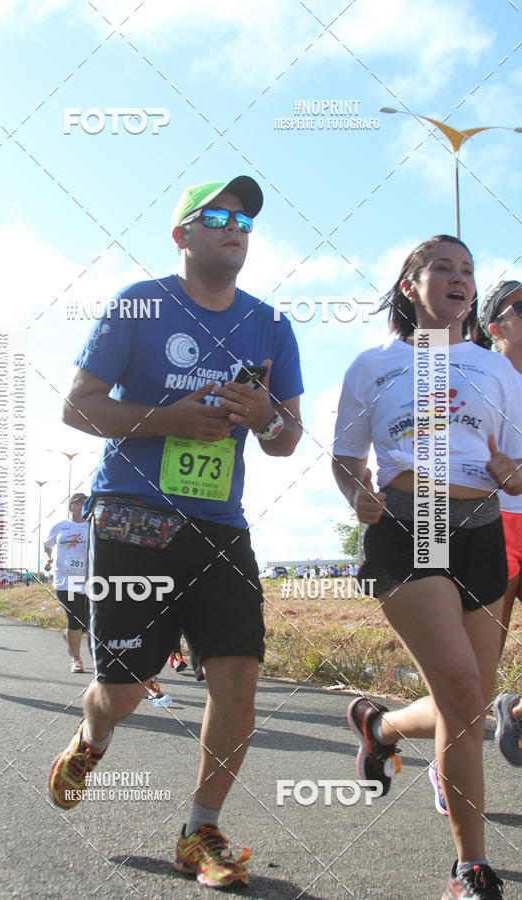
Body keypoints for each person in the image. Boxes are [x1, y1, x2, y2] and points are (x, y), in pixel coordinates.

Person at [49, 175, 303, 889]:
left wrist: (263, 419)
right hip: (135, 516)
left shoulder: (271, 324)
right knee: (125, 688)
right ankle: (93, 735)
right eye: (217, 215)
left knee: (239, 679)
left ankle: (202, 829)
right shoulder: (140, 304)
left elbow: (287, 438)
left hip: (222, 525)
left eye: (245, 220)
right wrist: (171, 419)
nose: (235, 227)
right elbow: (78, 407)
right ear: (181, 234)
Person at [332, 236, 522, 900]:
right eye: (443, 266)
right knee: (466, 694)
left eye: (468, 269)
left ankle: (378, 726)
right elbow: (345, 456)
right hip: (413, 521)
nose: (459, 277)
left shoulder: (497, 370)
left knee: (464, 709)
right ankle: (469, 868)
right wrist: (355, 492)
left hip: (480, 529)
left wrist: (512, 473)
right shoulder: (372, 365)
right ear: (410, 284)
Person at [474, 280, 522, 767]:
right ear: (495, 328)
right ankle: (383, 726)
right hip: (491, 527)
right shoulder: (477, 381)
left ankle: (517, 711)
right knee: (475, 679)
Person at [43, 493, 90, 674]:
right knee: (74, 618)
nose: (83, 505)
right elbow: (47, 544)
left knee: (84, 623)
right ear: (71, 507)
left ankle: (68, 635)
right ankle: (76, 659)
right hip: (65, 580)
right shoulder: (61, 526)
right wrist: (49, 558)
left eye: (86, 503)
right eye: (79, 503)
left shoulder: (91, 526)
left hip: (86, 580)